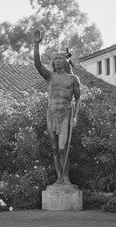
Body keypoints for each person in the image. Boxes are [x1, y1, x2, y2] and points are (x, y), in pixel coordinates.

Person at [33, 29, 81, 185]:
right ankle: (59, 178)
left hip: (66, 114)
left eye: (61, 59)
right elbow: (37, 64)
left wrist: (75, 117)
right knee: (54, 149)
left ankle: (66, 178)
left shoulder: (73, 79)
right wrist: (36, 44)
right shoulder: (50, 76)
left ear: (65, 62)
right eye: (56, 59)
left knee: (62, 148)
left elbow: (78, 99)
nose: (58, 61)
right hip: (51, 114)